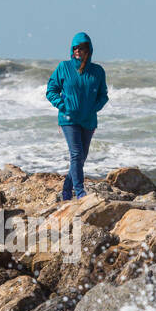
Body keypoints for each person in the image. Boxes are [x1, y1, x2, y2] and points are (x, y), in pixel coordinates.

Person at [46, 32, 108, 200]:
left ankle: (66, 190)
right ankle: (80, 193)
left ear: (89, 49)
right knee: (76, 154)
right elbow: (51, 91)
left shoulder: (97, 71)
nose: (77, 50)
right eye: (75, 47)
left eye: (81, 47)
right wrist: (63, 105)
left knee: (81, 158)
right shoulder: (64, 67)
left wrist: (93, 108)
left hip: (88, 120)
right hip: (69, 120)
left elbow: (103, 96)